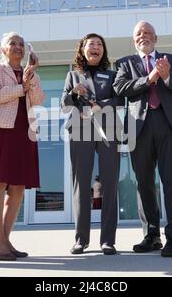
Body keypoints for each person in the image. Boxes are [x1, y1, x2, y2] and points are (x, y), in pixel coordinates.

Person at [113, 21, 172, 257]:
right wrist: (150, 78)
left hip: (169, 126)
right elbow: (120, 88)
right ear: (134, 39)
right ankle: (152, 235)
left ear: (155, 37)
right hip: (139, 128)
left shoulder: (171, 59)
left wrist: (167, 77)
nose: (143, 36)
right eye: (138, 33)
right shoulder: (125, 63)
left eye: (147, 33)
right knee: (144, 183)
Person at [0, 32, 45, 260]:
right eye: (12, 43)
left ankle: (3, 240)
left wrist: (30, 78)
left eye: (21, 44)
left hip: (25, 132)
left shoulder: (30, 73)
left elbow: (39, 99)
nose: (18, 47)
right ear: (3, 49)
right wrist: (20, 88)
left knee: (18, 186)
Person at [61, 33, 123, 255]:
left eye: (99, 44)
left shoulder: (113, 74)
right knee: (81, 184)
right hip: (80, 129)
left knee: (109, 183)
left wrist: (101, 105)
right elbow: (64, 104)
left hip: (108, 129)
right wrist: (73, 93)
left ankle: (108, 240)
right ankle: (81, 239)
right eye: (91, 44)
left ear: (103, 50)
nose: (95, 47)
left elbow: (120, 99)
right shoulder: (72, 75)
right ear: (83, 49)